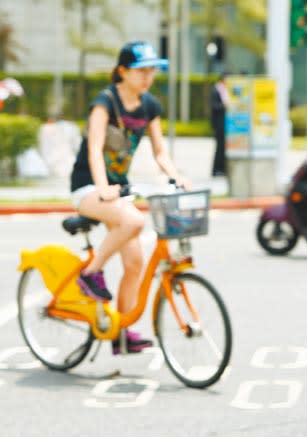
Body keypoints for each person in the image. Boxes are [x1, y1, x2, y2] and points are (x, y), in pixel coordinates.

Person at [70, 41, 190, 354]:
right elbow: (95, 148)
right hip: (88, 187)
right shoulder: (105, 102)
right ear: (122, 71)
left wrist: (175, 175)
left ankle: (121, 332)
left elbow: (160, 151)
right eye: (141, 70)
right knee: (134, 220)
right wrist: (102, 187)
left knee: (135, 264)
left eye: (152, 70)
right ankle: (90, 272)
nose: (148, 76)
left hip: (119, 191)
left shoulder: (150, 105)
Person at [210, 74, 229, 177]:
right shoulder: (216, 90)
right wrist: (224, 106)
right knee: (219, 148)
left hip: (224, 123)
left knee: (223, 148)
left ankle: (222, 169)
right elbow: (213, 106)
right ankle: (216, 170)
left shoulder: (224, 90)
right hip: (218, 124)